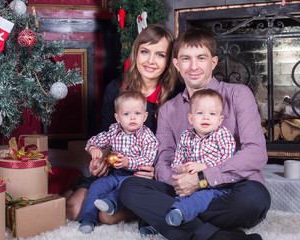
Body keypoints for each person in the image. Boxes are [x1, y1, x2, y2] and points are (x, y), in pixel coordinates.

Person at [119, 28, 271, 240]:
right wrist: (181, 181)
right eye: (185, 59)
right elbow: (163, 160)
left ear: (213, 62)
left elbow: (255, 153)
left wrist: (203, 178)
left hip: (231, 189)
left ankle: (169, 220)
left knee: (255, 198)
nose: (193, 66)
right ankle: (217, 236)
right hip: (182, 187)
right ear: (176, 64)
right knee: (129, 188)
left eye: (201, 58)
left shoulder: (238, 94)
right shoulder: (168, 109)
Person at [64, 24, 182, 224]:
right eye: (145, 52)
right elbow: (106, 132)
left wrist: (159, 171)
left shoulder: (175, 95)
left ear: (169, 60)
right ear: (136, 53)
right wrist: (100, 158)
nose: (151, 61)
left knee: (106, 216)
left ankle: (144, 206)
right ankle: (73, 186)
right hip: (115, 169)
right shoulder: (117, 88)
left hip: (146, 174)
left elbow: (180, 144)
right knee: (73, 212)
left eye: (160, 55)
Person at [78, 90, 159, 233]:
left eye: (138, 113)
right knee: (96, 186)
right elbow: (94, 140)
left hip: (135, 176)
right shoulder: (114, 131)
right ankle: (87, 219)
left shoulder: (147, 136)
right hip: (114, 173)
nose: (132, 117)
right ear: (118, 117)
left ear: (145, 116)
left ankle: (111, 203)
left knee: (126, 188)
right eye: (126, 114)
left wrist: (129, 162)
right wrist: (93, 149)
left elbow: (148, 158)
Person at [165, 89, 235, 227]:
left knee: (201, 198)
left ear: (220, 119)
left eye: (212, 114)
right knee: (177, 197)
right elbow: (177, 160)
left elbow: (227, 160)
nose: (206, 117)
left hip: (216, 187)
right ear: (191, 118)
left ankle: (181, 215)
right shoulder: (186, 136)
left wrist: (205, 166)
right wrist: (181, 168)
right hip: (189, 183)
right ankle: (160, 222)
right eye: (200, 113)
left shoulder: (223, 135)